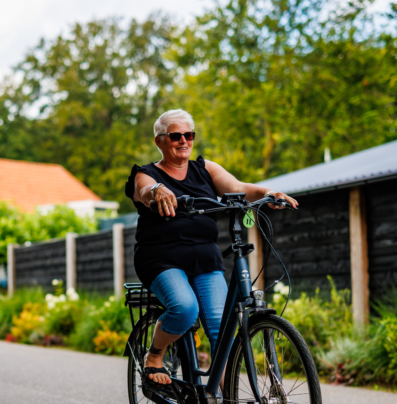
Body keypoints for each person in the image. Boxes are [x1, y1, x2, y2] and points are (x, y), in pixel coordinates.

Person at [124, 109, 297, 388]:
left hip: (205, 259)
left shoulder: (206, 170)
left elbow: (238, 187)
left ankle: (231, 403)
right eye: (176, 135)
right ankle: (155, 354)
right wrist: (157, 190)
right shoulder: (145, 175)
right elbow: (144, 190)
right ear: (159, 141)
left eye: (189, 135)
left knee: (222, 326)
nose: (184, 141)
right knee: (184, 308)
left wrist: (267, 193)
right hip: (161, 259)